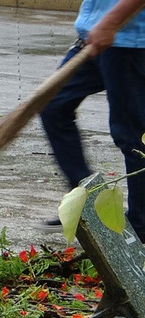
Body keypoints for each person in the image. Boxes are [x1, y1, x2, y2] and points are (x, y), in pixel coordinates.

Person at [38, 0, 145, 239]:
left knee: (133, 137)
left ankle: (140, 226)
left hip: (129, 41)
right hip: (95, 35)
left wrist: (110, 23)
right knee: (53, 105)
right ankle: (89, 204)